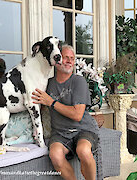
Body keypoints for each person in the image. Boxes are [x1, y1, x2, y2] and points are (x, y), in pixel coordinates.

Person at [32, 45, 99, 180]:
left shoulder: (78, 81)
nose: (69, 61)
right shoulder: (48, 83)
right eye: (65, 57)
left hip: (83, 130)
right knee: (55, 155)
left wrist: (51, 102)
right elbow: (38, 103)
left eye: (72, 59)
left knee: (83, 151)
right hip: (60, 133)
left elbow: (77, 115)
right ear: (57, 60)